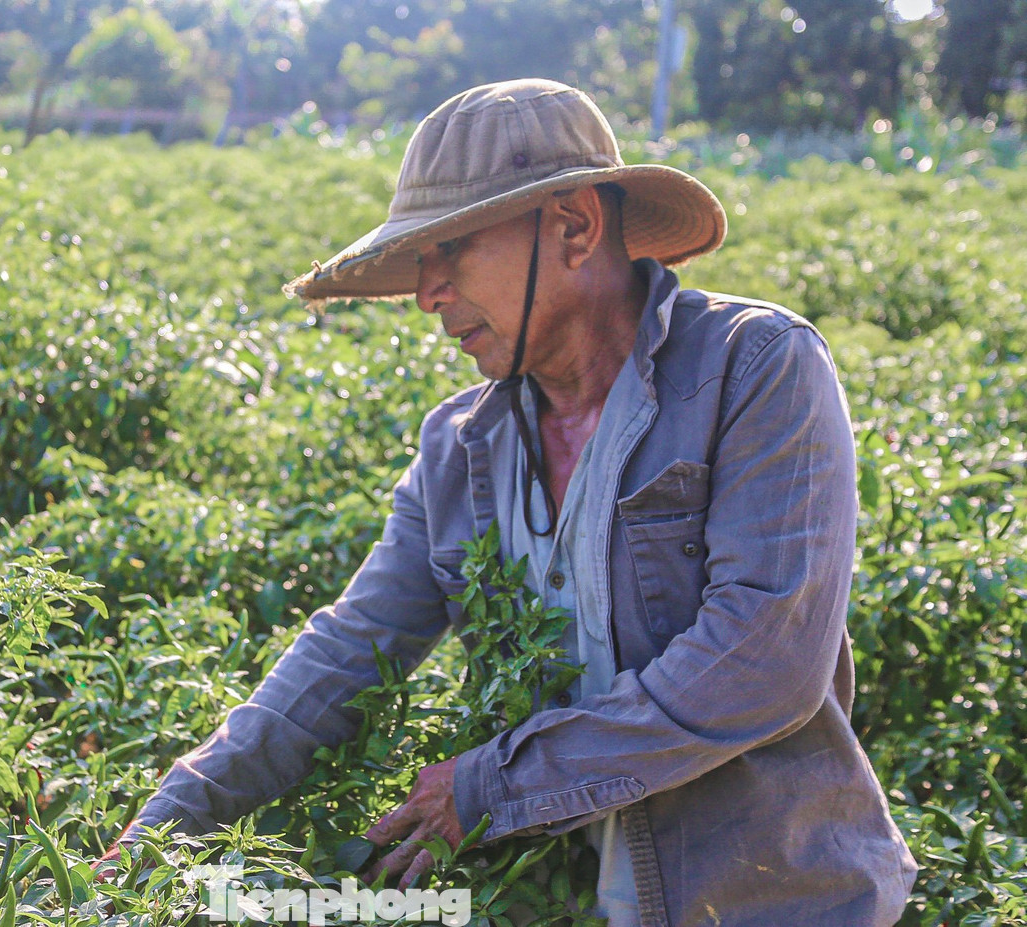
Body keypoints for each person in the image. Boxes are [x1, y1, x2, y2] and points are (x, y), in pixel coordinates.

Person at [101, 79, 918, 926]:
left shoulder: (755, 369)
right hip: (556, 901)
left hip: (766, 901)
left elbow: (765, 659)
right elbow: (344, 654)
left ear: (573, 228)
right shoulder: (459, 447)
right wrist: (156, 835)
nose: (428, 293)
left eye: (450, 250)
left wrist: (494, 785)